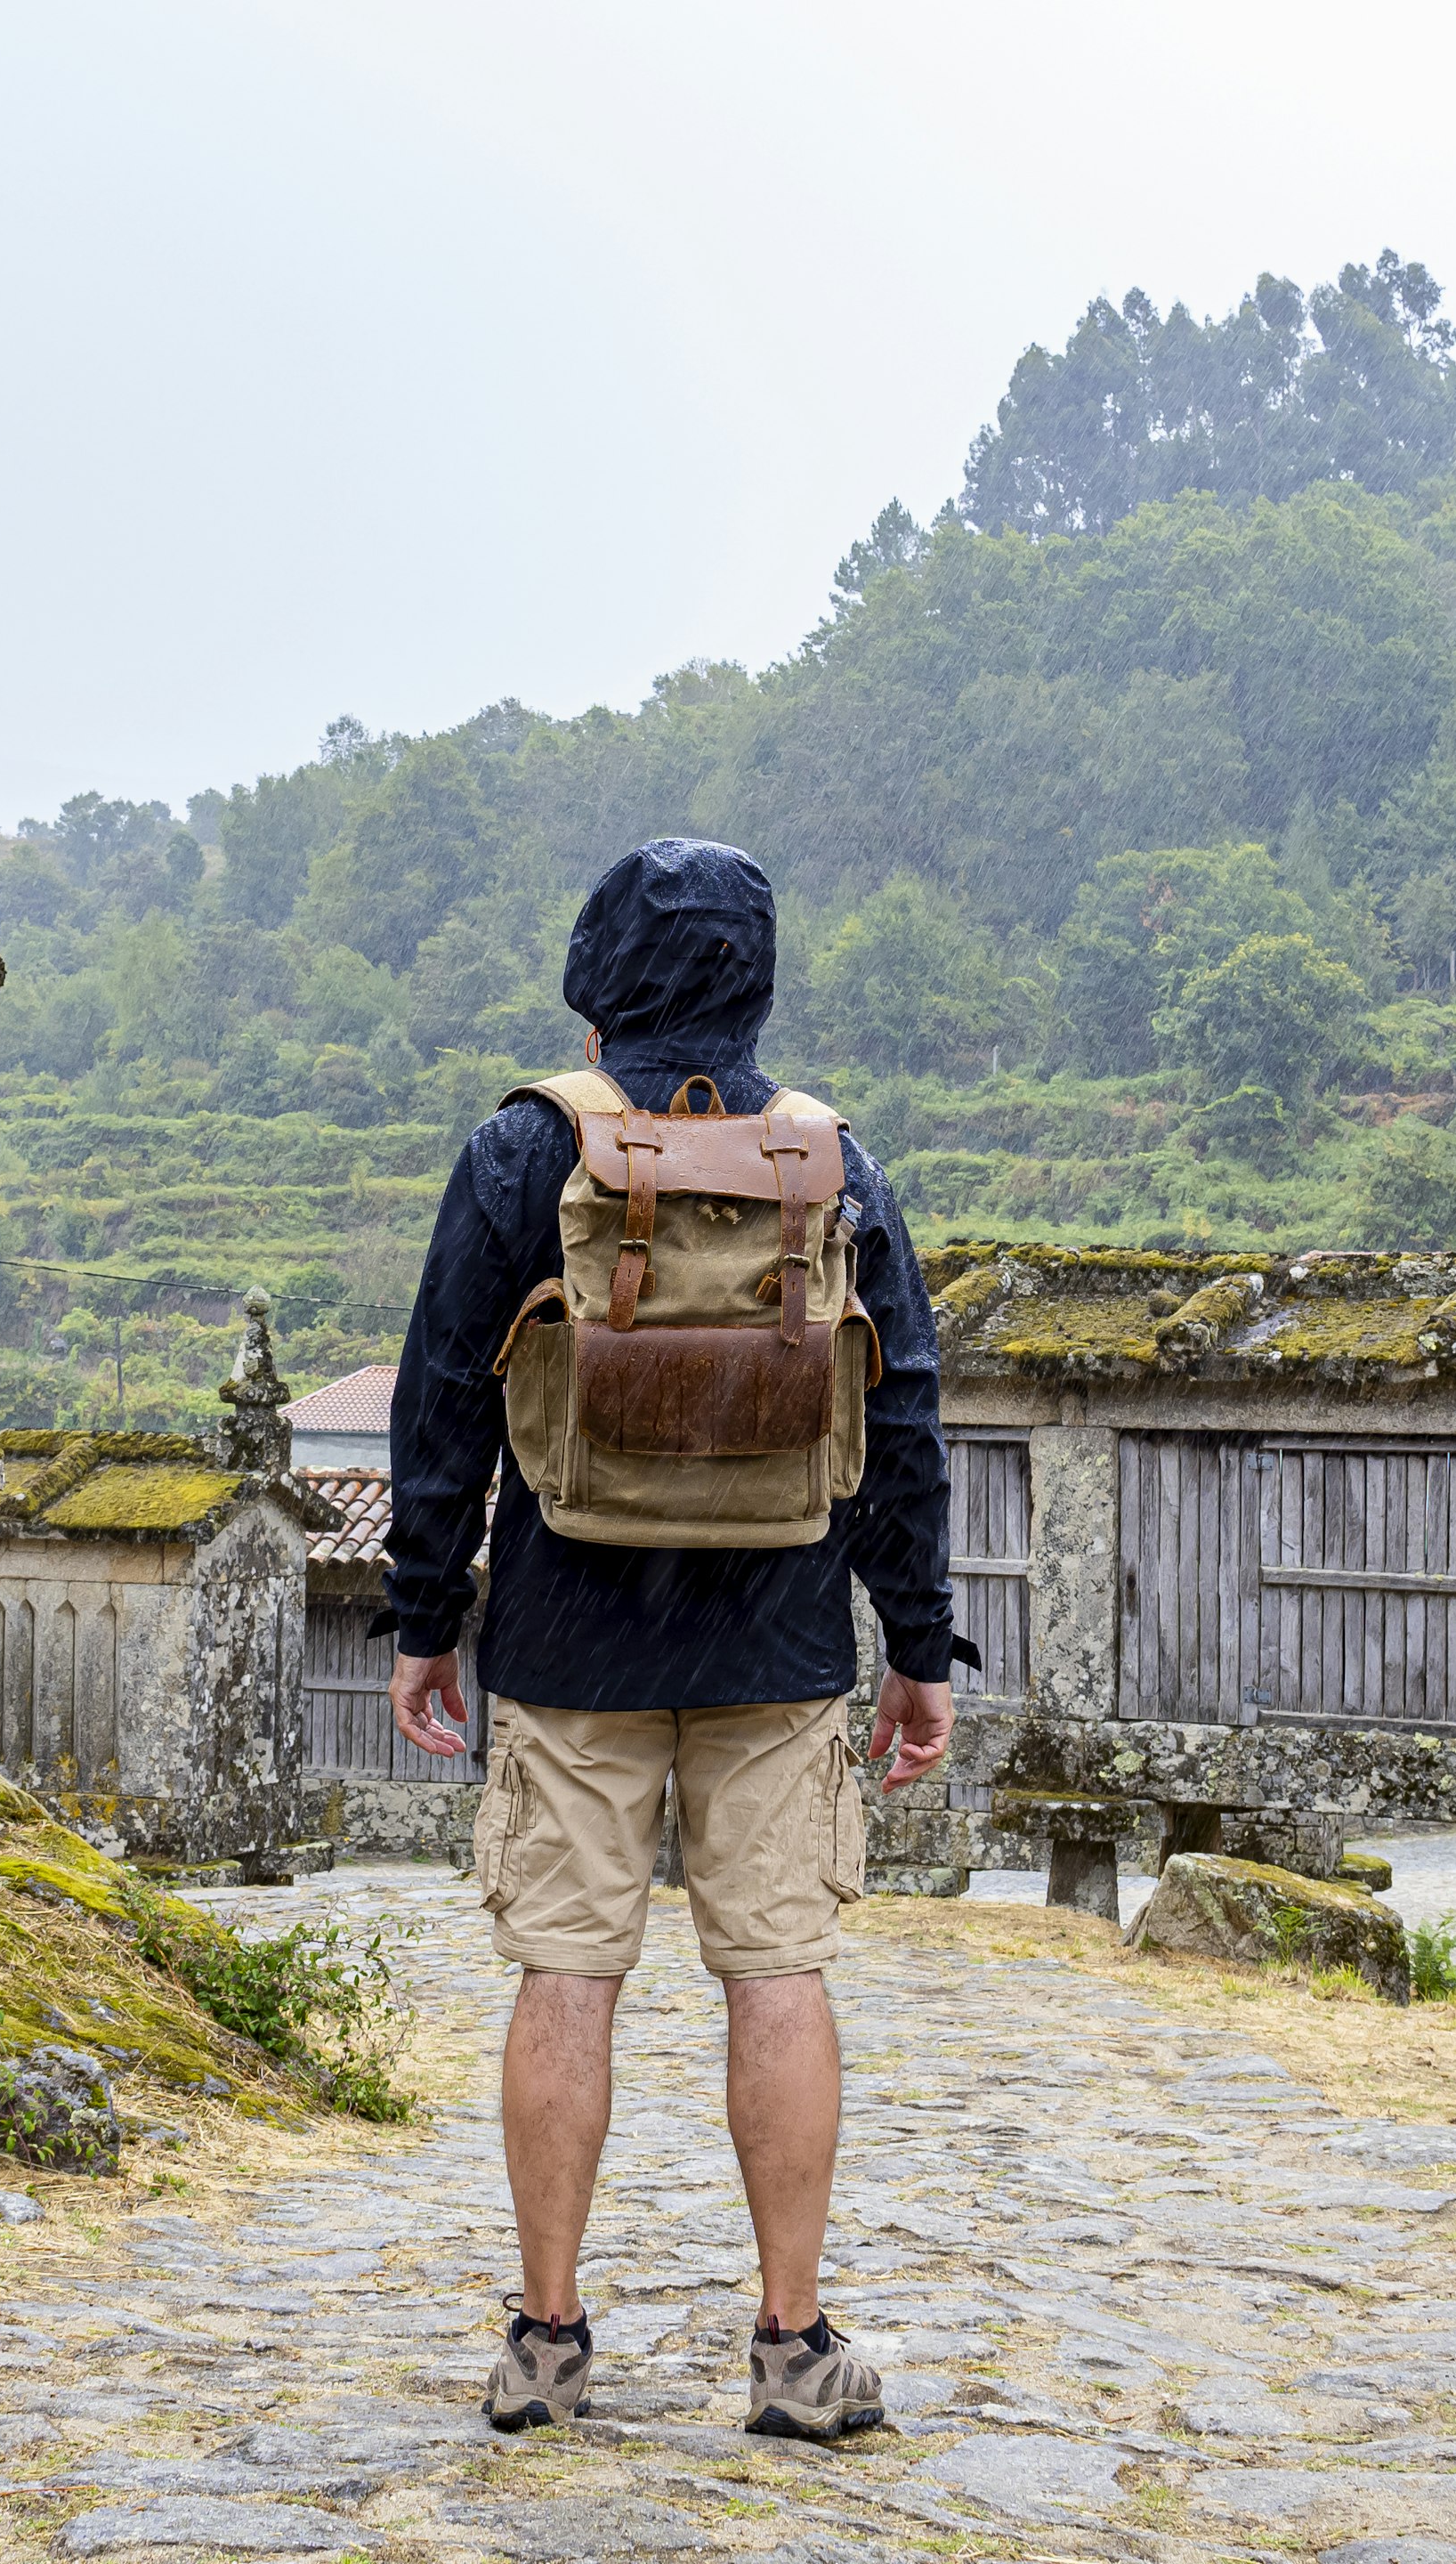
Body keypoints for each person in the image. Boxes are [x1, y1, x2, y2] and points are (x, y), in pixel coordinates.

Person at [381, 838, 960, 2441]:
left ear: (594, 986)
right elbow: (901, 1411)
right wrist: (920, 1640)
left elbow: (441, 1398)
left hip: (571, 1640)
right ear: (760, 982)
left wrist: (429, 1618)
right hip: (780, 1645)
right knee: (777, 1972)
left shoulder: (523, 1152)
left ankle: (548, 2344)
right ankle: (792, 2349)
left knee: (568, 1973)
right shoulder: (834, 1161)